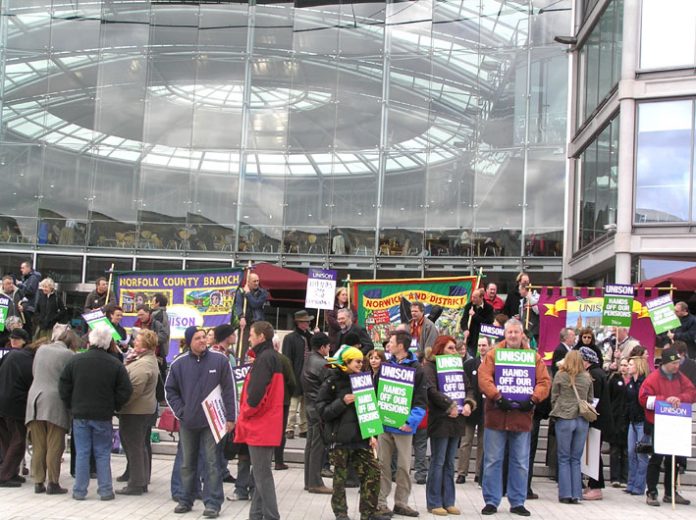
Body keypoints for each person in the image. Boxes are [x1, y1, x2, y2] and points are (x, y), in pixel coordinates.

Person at [477, 318, 551, 517]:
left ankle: (517, 501)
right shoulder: (493, 355)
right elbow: (484, 378)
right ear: (504, 334)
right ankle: (491, 500)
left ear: (521, 335)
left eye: (516, 333)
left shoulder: (533, 357)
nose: (512, 336)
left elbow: (544, 381)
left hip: (521, 417)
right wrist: (497, 397)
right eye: (509, 332)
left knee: (520, 461)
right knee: (492, 460)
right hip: (497, 416)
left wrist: (534, 399)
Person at [165, 326, 235, 518]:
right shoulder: (179, 364)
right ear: (189, 342)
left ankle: (212, 503)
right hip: (188, 422)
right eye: (198, 338)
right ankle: (185, 499)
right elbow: (170, 390)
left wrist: (230, 418)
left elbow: (229, 391)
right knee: (187, 463)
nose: (203, 341)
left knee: (212, 464)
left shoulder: (220, 361)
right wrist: (181, 411)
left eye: (204, 337)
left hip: (212, 423)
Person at [59, 325, 133, 500]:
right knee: (102, 452)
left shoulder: (75, 361)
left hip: (80, 413)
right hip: (103, 414)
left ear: (90, 340)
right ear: (108, 343)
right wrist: (114, 405)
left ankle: (79, 491)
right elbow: (126, 390)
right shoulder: (115, 364)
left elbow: (63, 386)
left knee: (83, 452)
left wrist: (71, 404)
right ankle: (106, 490)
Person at [316, 345, 389, 520]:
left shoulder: (364, 380)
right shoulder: (332, 381)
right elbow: (322, 410)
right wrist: (342, 401)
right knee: (340, 479)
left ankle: (369, 512)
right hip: (339, 439)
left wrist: (372, 435)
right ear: (347, 362)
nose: (361, 364)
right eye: (357, 361)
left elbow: (369, 408)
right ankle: (341, 513)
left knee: (373, 472)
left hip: (361, 438)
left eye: (361, 361)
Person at [234, 321, 284, 520]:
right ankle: (255, 515)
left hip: (260, 425)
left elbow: (255, 396)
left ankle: (272, 516)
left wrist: (244, 412)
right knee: (260, 475)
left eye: (251, 335)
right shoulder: (271, 357)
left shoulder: (264, 359)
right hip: (267, 424)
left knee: (262, 477)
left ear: (261, 336)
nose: (248, 338)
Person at [375, 331, 426, 518]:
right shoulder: (385, 366)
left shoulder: (417, 369)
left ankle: (401, 503)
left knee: (404, 467)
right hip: (384, 424)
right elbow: (376, 392)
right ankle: (380, 503)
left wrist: (410, 421)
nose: (389, 345)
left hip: (404, 426)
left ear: (401, 346)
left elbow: (421, 400)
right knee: (382, 465)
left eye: (392, 342)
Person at [423, 336, 475, 515]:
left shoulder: (457, 365)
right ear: (441, 349)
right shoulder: (430, 366)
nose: (455, 351)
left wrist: (468, 403)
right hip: (440, 420)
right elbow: (431, 390)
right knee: (438, 461)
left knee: (449, 463)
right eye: (451, 348)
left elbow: (468, 387)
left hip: (457, 420)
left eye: (455, 348)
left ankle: (448, 500)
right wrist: (449, 405)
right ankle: (434, 501)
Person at [25, 326, 81, 494]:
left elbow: (35, 372)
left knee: (38, 444)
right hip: (55, 402)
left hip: (34, 399)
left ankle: (38, 481)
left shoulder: (41, 350)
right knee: (54, 445)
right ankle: (53, 483)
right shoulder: (69, 355)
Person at [639, 346, 696, 506]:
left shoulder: (680, 377)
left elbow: (692, 393)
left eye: (678, 363)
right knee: (656, 458)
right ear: (665, 363)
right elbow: (643, 399)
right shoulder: (653, 378)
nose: (677, 366)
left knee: (675, 457)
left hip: (675, 422)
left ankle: (671, 492)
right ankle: (651, 492)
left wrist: (680, 398)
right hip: (657, 423)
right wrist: (665, 400)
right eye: (674, 363)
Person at [117, 329, 159, 496]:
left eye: (138, 341)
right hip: (141, 409)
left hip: (135, 411)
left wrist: (120, 403)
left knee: (133, 446)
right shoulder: (144, 360)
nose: (135, 342)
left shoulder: (143, 364)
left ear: (146, 345)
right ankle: (140, 481)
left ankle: (135, 483)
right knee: (139, 446)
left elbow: (134, 389)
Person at [549, 350, 593, 504]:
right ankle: (576, 494)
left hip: (564, 418)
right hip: (582, 419)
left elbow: (554, 396)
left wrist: (558, 407)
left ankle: (565, 494)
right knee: (576, 459)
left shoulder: (560, 375)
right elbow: (590, 399)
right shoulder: (587, 378)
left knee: (563, 457)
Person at [0, 329, 37, 487]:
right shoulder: (27, 360)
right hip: (15, 406)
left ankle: (12, 472)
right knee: (18, 440)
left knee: (6, 440)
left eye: (17, 339)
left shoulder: (9, 356)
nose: (13, 341)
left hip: (2, 402)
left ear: (24, 341)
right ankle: (5, 475)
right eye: (12, 338)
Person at [578, 346, 613, 500]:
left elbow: (594, 400)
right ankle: (593, 485)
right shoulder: (597, 373)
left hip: (596, 420)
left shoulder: (594, 375)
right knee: (592, 453)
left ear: (586, 361)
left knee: (593, 454)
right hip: (598, 420)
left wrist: (586, 412)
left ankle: (596, 486)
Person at [457, 335, 490, 484]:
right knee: (466, 442)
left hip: (486, 410)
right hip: (471, 408)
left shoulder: (492, 364)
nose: (482, 348)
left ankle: (478, 473)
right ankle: (462, 473)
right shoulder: (470, 364)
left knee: (483, 443)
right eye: (480, 345)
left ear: (489, 347)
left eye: (484, 345)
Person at [302, 332, 332, 492]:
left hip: (309, 406)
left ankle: (309, 480)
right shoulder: (322, 364)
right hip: (319, 409)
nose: (329, 349)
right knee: (317, 447)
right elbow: (330, 385)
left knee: (310, 445)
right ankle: (315, 482)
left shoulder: (309, 359)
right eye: (328, 346)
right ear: (322, 347)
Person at [282, 310, 314, 440]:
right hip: (295, 373)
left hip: (308, 374)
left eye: (308, 322)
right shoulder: (290, 338)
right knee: (293, 404)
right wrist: (289, 376)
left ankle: (304, 428)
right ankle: (289, 428)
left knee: (305, 404)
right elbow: (287, 358)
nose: (307, 324)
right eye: (304, 322)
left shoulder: (311, 337)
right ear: (298, 323)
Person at [625, 355, 649, 496]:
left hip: (642, 421)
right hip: (632, 421)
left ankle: (639, 485)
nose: (628, 366)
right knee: (631, 452)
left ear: (638, 366)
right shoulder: (630, 383)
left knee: (641, 454)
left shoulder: (644, 383)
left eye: (631, 364)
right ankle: (631, 483)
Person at [234, 272, 269, 359]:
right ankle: (240, 364)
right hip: (246, 324)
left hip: (257, 324)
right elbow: (238, 305)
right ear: (248, 282)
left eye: (257, 281)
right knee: (242, 346)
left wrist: (248, 294)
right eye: (254, 281)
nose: (257, 283)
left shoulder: (263, 293)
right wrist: (241, 317)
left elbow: (255, 304)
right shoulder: (240, 292)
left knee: (258, 346)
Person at [608, 357, 629, 488]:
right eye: (622, 365)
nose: (623, 367)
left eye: (626, 365)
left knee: (626, 451)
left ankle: (625, 477)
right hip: (615, 418)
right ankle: (614, 477)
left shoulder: (633, 381)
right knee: (615, 450)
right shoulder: (614, 380)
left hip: (627, 420)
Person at [460, 288, 494, 358]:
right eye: (472, 297)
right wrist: (465, 329)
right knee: (470, 358)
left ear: (481, 297)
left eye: (475, 297)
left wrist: (474, 315)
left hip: (482, 339)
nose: (472, 299)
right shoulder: (469, 306)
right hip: (471, 340)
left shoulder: (489, 308)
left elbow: (488, 322)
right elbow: (463, 321)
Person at [16, 260, 41, 337]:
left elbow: (30, 291)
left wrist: (20, 285)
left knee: (27, 329)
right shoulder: (27, 278)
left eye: (23, 268)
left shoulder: (33, 278)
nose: (21, 270)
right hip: (26, 306)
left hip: (29, 307)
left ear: (28, 268)